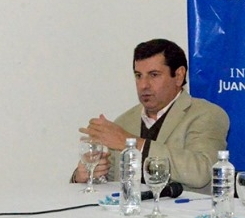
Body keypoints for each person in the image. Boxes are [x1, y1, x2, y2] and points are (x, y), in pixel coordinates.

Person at [72, 39, 229, 193]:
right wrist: (86, 175)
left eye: (154, 75)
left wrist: (132, 144)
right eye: (138, 75)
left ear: (179, 75)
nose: (143, 85)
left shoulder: (207, 114)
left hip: (186, 209)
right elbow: (111, 182)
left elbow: (201, 172)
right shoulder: (124, 122)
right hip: (131, 209)